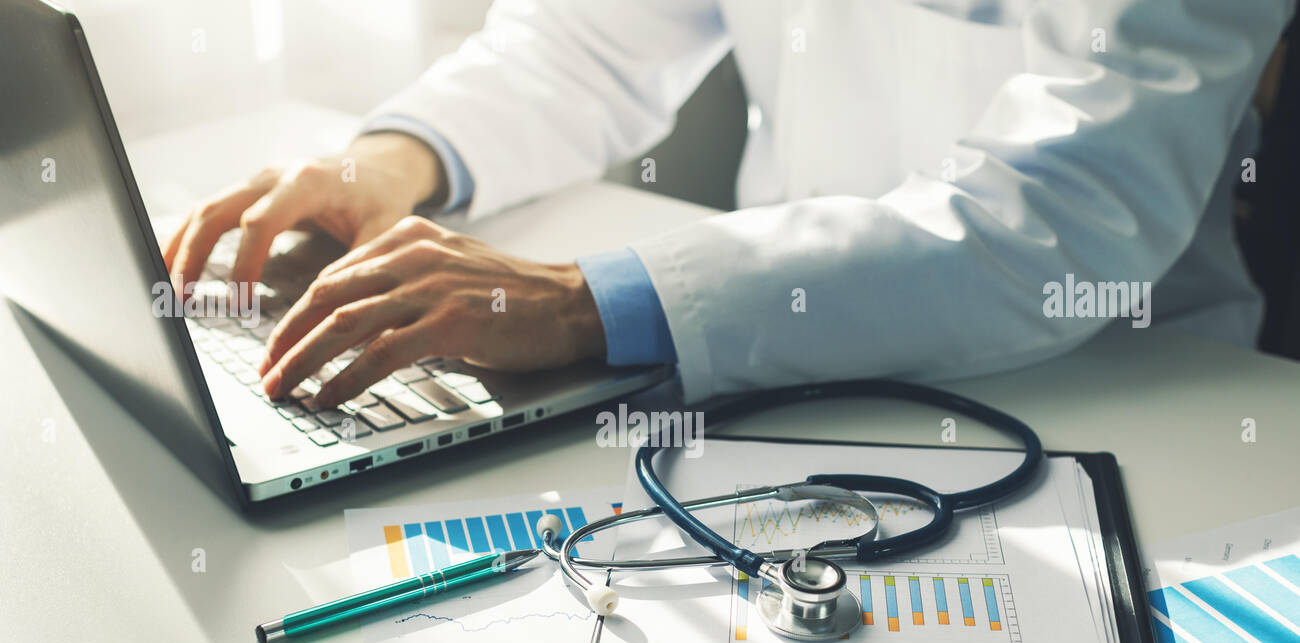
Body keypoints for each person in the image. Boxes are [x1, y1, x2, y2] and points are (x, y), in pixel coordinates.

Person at [165, 0, 1292, 410]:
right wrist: (393, 160)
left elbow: (1053, 219)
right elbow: (586, 39)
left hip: (1124, 396)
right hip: (774, 370)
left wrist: (579, 301)